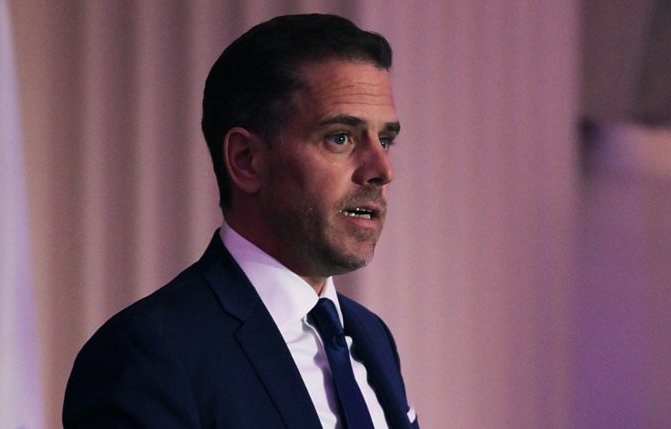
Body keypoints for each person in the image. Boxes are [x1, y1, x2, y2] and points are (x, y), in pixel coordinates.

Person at [63, 13, 418, 429]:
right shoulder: (148, 355)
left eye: (386, 140)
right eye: (340, 137)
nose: (381, 169)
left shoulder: (372, 336)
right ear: (246, 160)